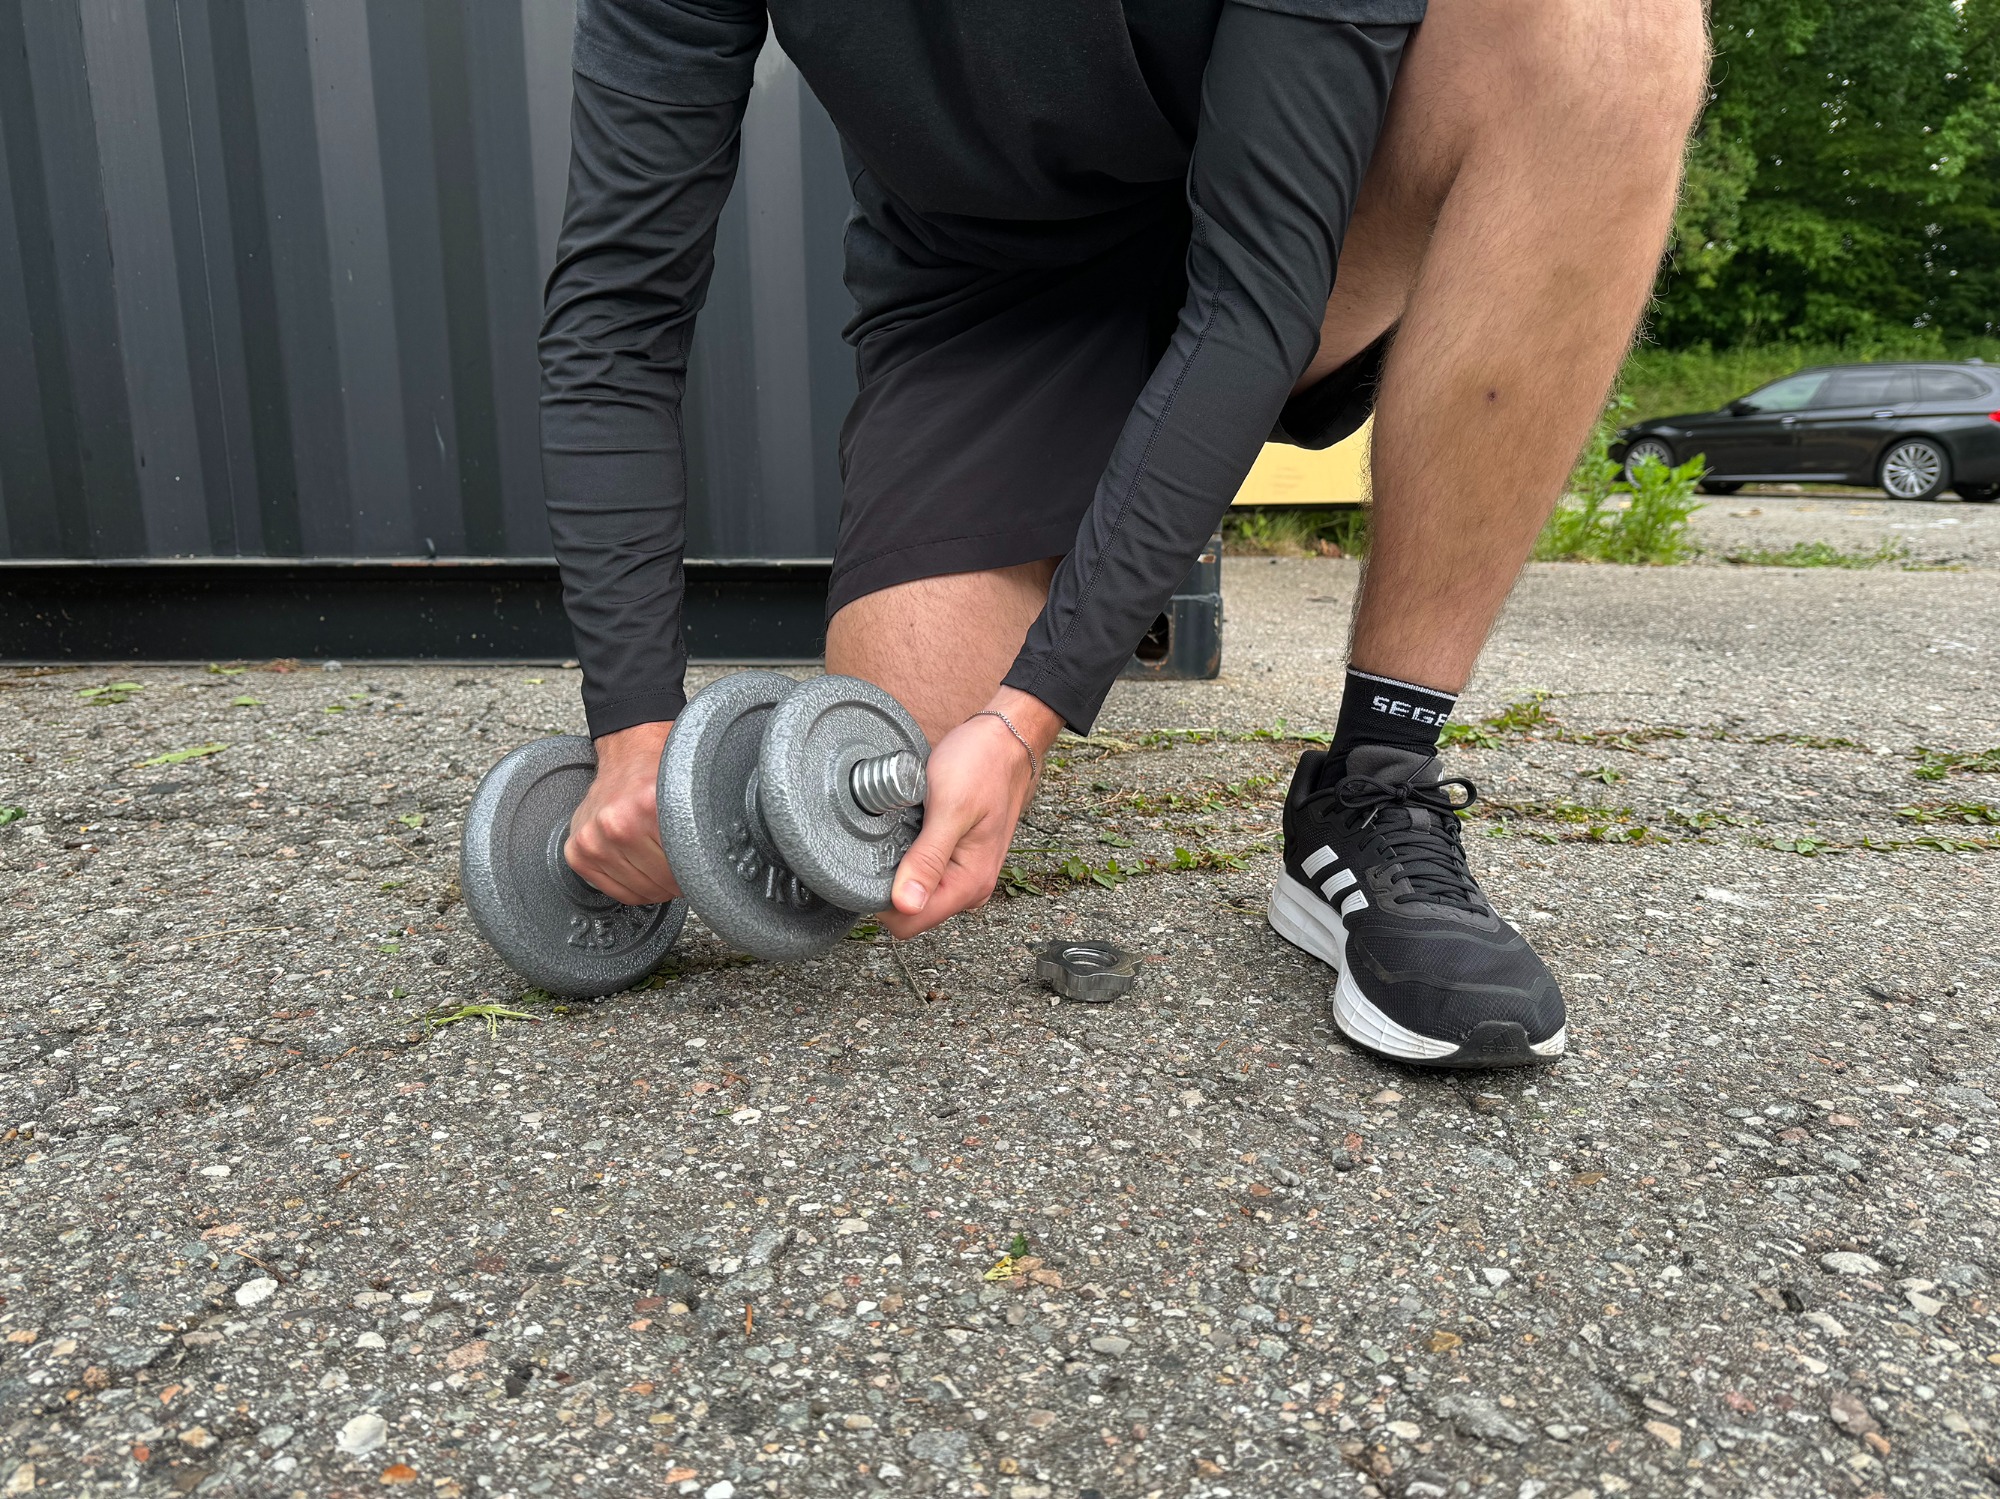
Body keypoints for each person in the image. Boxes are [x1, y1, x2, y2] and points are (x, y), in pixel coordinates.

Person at [543, 0, 1706, 1068]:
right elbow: (618, 311)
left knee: (1612, 27)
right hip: (991, 298)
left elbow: (1253, 293)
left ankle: (1377, 772)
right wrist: (634, 732)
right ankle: (1096, 526)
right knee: (877, 816)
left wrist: (1029, 709)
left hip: (1292, 221)